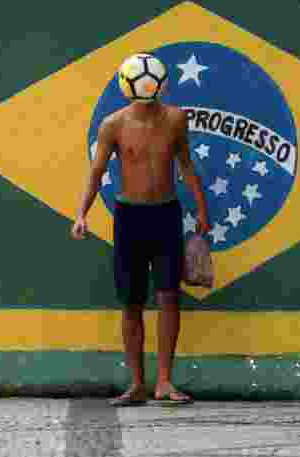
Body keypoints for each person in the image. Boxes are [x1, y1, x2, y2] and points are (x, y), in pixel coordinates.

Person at [71, 55, 211, 407]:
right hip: (129, 219)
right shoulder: (112, 125)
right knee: (131, 303)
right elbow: (96, 171)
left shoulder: (177, 119)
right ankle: (136, 384)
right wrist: (81, 214)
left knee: (168, 296)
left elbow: (187, 165)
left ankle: (164, 382)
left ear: (161, 83)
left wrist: (202, 210)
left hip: (165, 215)